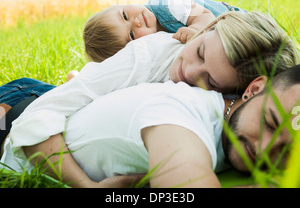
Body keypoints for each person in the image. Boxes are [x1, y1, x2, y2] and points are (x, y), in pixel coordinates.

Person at [2, 65, 300, 188]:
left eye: (286, 151)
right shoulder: (181, 115)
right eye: (270, 123)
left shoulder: (222, 122)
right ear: (254, 89)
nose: (262, 149)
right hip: (14, 117)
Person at [83, 0, 245, 62]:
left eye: (125, 15)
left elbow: (205, 16)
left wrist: (196, 30)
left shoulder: (170, 4)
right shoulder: (153, 47)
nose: (136, 21)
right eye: (132, 34)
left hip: (238, 22)